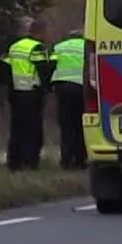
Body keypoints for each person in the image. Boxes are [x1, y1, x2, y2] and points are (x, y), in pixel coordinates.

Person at [0, 18, 50, 171]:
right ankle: (30, 163)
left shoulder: (14, 47)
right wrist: (47, 88)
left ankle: (14, 163)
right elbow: (44, 70)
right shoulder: (37, 48)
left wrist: (10, 84)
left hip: (15, 94)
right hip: (32, 94)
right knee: (33, 131)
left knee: (17, 129)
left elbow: (2, 69)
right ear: (39, 32)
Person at [49, 27, 88, 170]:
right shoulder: (87, 46)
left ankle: (66, 160)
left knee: (66, 125)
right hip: (82, 89)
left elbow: (51, 66)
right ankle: (80, 160)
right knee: (80, 125)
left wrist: (49, 86)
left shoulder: (59, 47)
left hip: (63, 89)